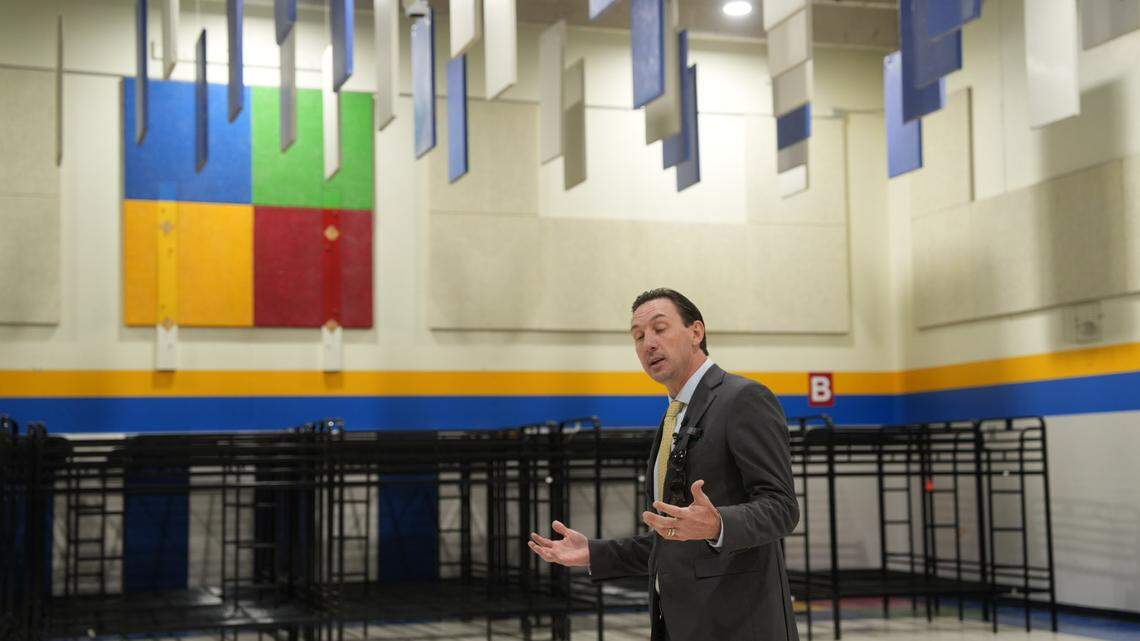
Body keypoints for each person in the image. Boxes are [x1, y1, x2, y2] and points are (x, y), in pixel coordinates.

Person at [528, 288, 800, 641]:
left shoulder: (743, 398)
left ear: (696, 332)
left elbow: (782, 508)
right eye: (638, 336)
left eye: (659, 329)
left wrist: (718, 524)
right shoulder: (674, 416)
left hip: (738, 624)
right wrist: (594, 553)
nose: (648, 344)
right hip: (678, 623)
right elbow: (672, 537)